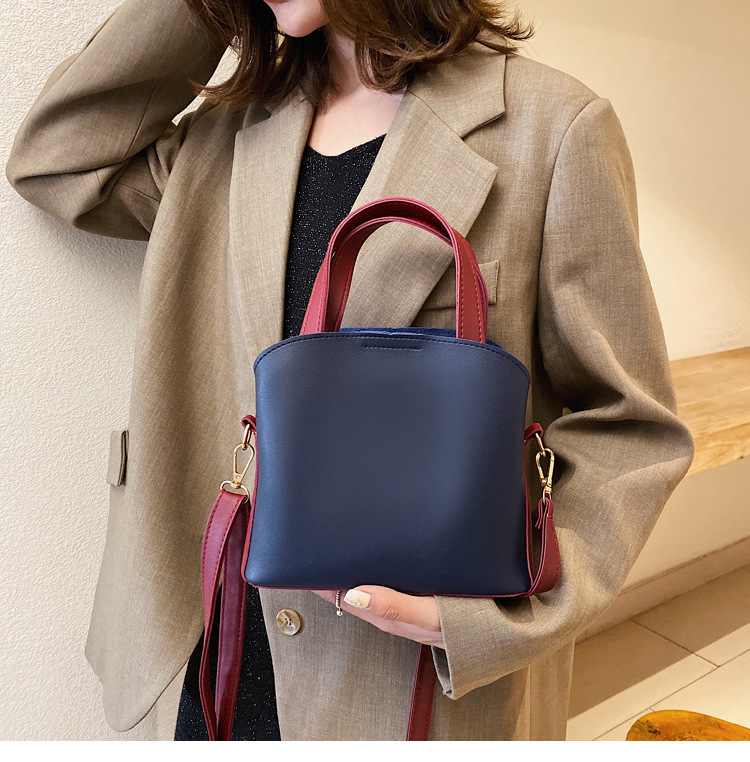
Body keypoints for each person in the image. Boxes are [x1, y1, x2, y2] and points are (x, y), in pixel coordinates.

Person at [5, 0, 695, 742]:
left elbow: (629, 427)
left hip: (409, 674)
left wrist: (495, 619)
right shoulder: (223, 136)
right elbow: (59, 159)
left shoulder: (551, 128)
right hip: (221, 648)